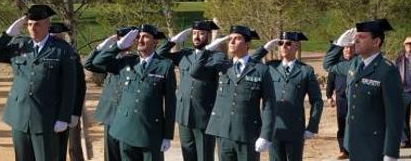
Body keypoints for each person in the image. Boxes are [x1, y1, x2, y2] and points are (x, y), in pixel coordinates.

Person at [0, 4, 78, 161]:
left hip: (46, 118)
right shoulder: (19, 45)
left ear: (48, 25)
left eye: (38, 24)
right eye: (29, 24)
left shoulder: (62, 50)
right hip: (19, 117)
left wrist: (63, 117)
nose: (33, 28)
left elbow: (69, 87)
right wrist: (9, 33)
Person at [91, 24, 177, 161]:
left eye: (145, 37)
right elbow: (96, 62)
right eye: (138, 37)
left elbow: (171, 104)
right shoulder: (127, 62)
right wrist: (118, 46)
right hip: (126, 131)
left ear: (155, 42)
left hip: (150, 132)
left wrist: (167, 135)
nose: (140, 40)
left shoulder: (164, 66)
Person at [189, 25, 275, 161]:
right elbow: (195, 72)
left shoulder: (261, 70)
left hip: (247, 133)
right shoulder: (222, 66)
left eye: (237, 38)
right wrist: (207, 50)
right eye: (230, 39)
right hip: (223, 132)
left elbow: (269, 105)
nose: (232, 42)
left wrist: (265, 135)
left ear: (247, 44)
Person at [322, 19, 403, 161]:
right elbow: (328, 65)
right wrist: (338, 44)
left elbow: (395, 116)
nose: (355, 40)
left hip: (374, 145)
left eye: (362, 36)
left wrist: (390, 153)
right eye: (356, 36)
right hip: (353, 143)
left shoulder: (387, 71)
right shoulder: (355, 63)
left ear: (376, 42)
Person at [156, 20, 223, 161]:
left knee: (204, 156)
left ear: (209, 36)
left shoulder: (217, 57)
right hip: (183, 115)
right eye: (194, 33)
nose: (197, 37)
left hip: (204, 115)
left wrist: (206, 51)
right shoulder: (184, 54)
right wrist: (173, 41)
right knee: (188, 155)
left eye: (201, 33)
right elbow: (158, 56)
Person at [253, 31, 323, 161]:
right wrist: (264, 49)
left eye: (288, 43)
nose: (283, 46)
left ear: (297, 46)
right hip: (274, 127)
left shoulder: (305, 71)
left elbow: (317, 101)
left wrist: (312, 127)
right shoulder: (270, 67)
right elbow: (250, 63)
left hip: (294, 128)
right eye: (281, 43)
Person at [84, 26, 138, 161]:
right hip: (110, 115)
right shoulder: (110, 57)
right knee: (111, 155)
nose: (120, 41)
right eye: (119, 39)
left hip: (126, 116)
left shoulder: (133, 59)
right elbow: (89, 64)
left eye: (124, 39)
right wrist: (101, 47)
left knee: (126, 154)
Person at [50, 22, 87, 161]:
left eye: (58, 35)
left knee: (59, 150)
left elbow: (79, 85)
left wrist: (75, 112)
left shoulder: (71, 54)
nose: (55, 38)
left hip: (62, 110)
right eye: (52, 35)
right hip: (41, 111)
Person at [325, 44, 353, 159]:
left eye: (351, 47)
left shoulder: (358, 62)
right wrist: (329, 95)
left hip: (355, 99)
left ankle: (355, 149)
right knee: (342, 125)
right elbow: (330, 80)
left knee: (354, 125)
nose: (349, 50)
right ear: (342, 50)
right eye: (346, 47)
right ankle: (343, 150)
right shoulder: (337, 63)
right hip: (341, 99)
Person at [394, 36, 411, 148]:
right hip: (405, 90)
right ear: (404, 46)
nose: (409, 46)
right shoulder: (399, 59)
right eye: (407, 44)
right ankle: (406, 141)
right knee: (403, 115)